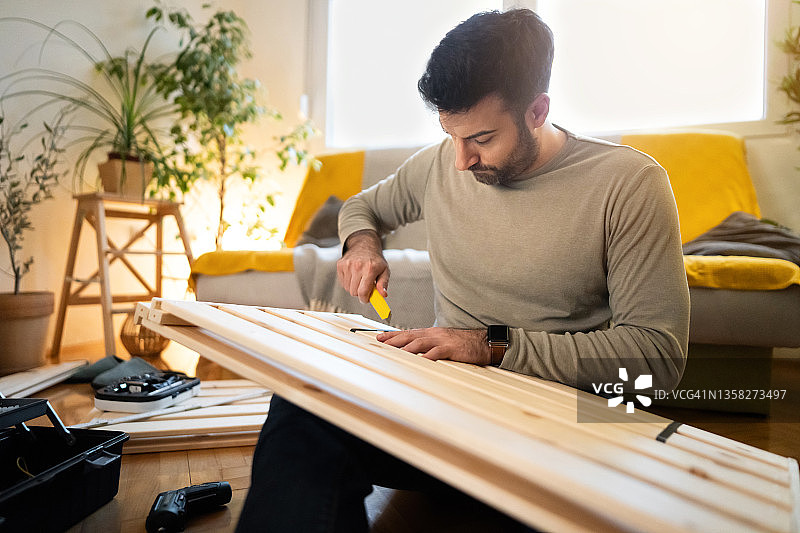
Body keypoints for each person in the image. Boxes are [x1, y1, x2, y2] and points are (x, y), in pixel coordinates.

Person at [237, 8, 689, 532]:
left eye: (481, 139)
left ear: (537, 110)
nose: (460, 162)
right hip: (446, 412)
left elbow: (657, 357)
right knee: (303, 406)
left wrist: (489, 345)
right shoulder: (438, 165)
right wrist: (360, 245)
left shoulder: (629, 184)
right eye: (451, 135)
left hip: (561, 429)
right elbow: (363, 208)